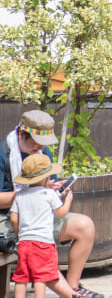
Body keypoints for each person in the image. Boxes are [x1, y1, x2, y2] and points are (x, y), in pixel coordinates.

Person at [0, 111, 102, 298]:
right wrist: (27, 195)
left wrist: (51, 188)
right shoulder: (3, 152)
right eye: (37, 142)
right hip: (7, 219)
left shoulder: (42, 151)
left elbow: (47, 185)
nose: (41, 147)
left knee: (84, 226)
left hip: (40, 216)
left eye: (44, 144)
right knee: (38, 251)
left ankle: (73, 286)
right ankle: (71, 295)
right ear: (22, 134)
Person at [9, 153, 74, 298]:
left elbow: (13, 218)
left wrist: (19, 233)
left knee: (21, 276)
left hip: (24, 243)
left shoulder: (20, 195)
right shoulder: (49, 194)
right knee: (41, 276)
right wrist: (68, 200)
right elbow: (61, 213)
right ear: (46, 177)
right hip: (43, 243)